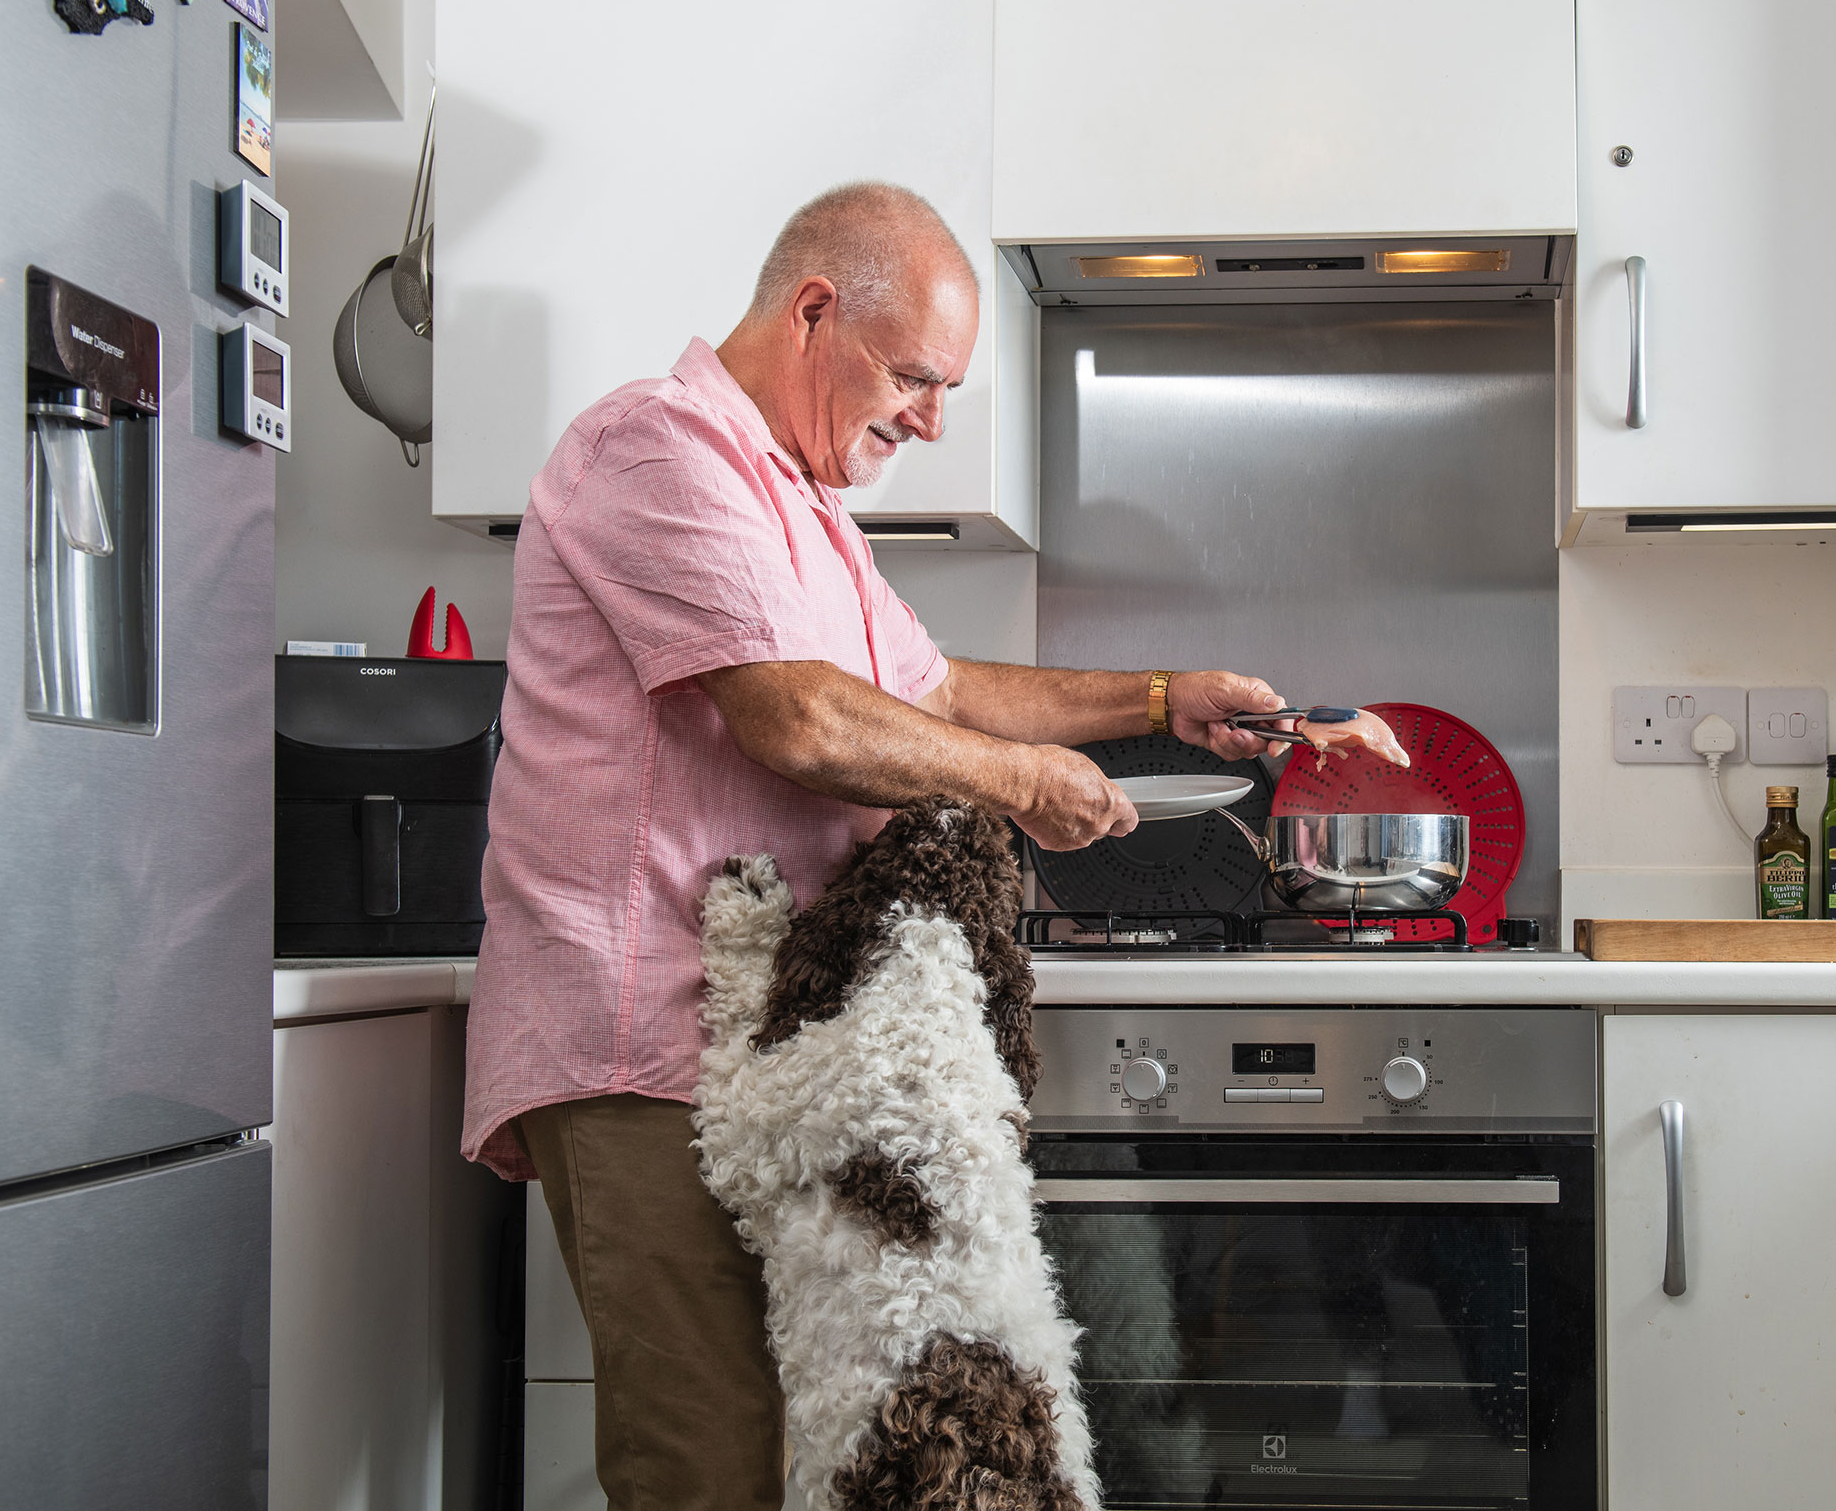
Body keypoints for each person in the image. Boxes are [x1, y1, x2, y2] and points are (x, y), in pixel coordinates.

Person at [462, 181, 1288, 1510]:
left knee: (802, 1459)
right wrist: (1017, 783)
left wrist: (1158, 700)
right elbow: (794, 715)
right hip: (647, 1043)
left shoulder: (805, 507)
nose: (931, 416)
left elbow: (936, 693)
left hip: (770, 1053)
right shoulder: (658, 450)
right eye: (915, 374)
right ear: (812, 310)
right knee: (707, 1462)